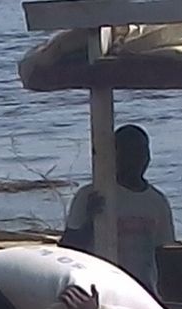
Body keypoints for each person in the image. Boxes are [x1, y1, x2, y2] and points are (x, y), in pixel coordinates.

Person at [61, 124, 175, 295]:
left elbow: (163, 255)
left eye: (142, 151)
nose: (137, 159)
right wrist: (90, 220)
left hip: (143, 292)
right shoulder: (92, 195)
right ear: (115, 156)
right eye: (129, 152)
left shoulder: (157, 201)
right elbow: (68, 251)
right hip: (98, 290)